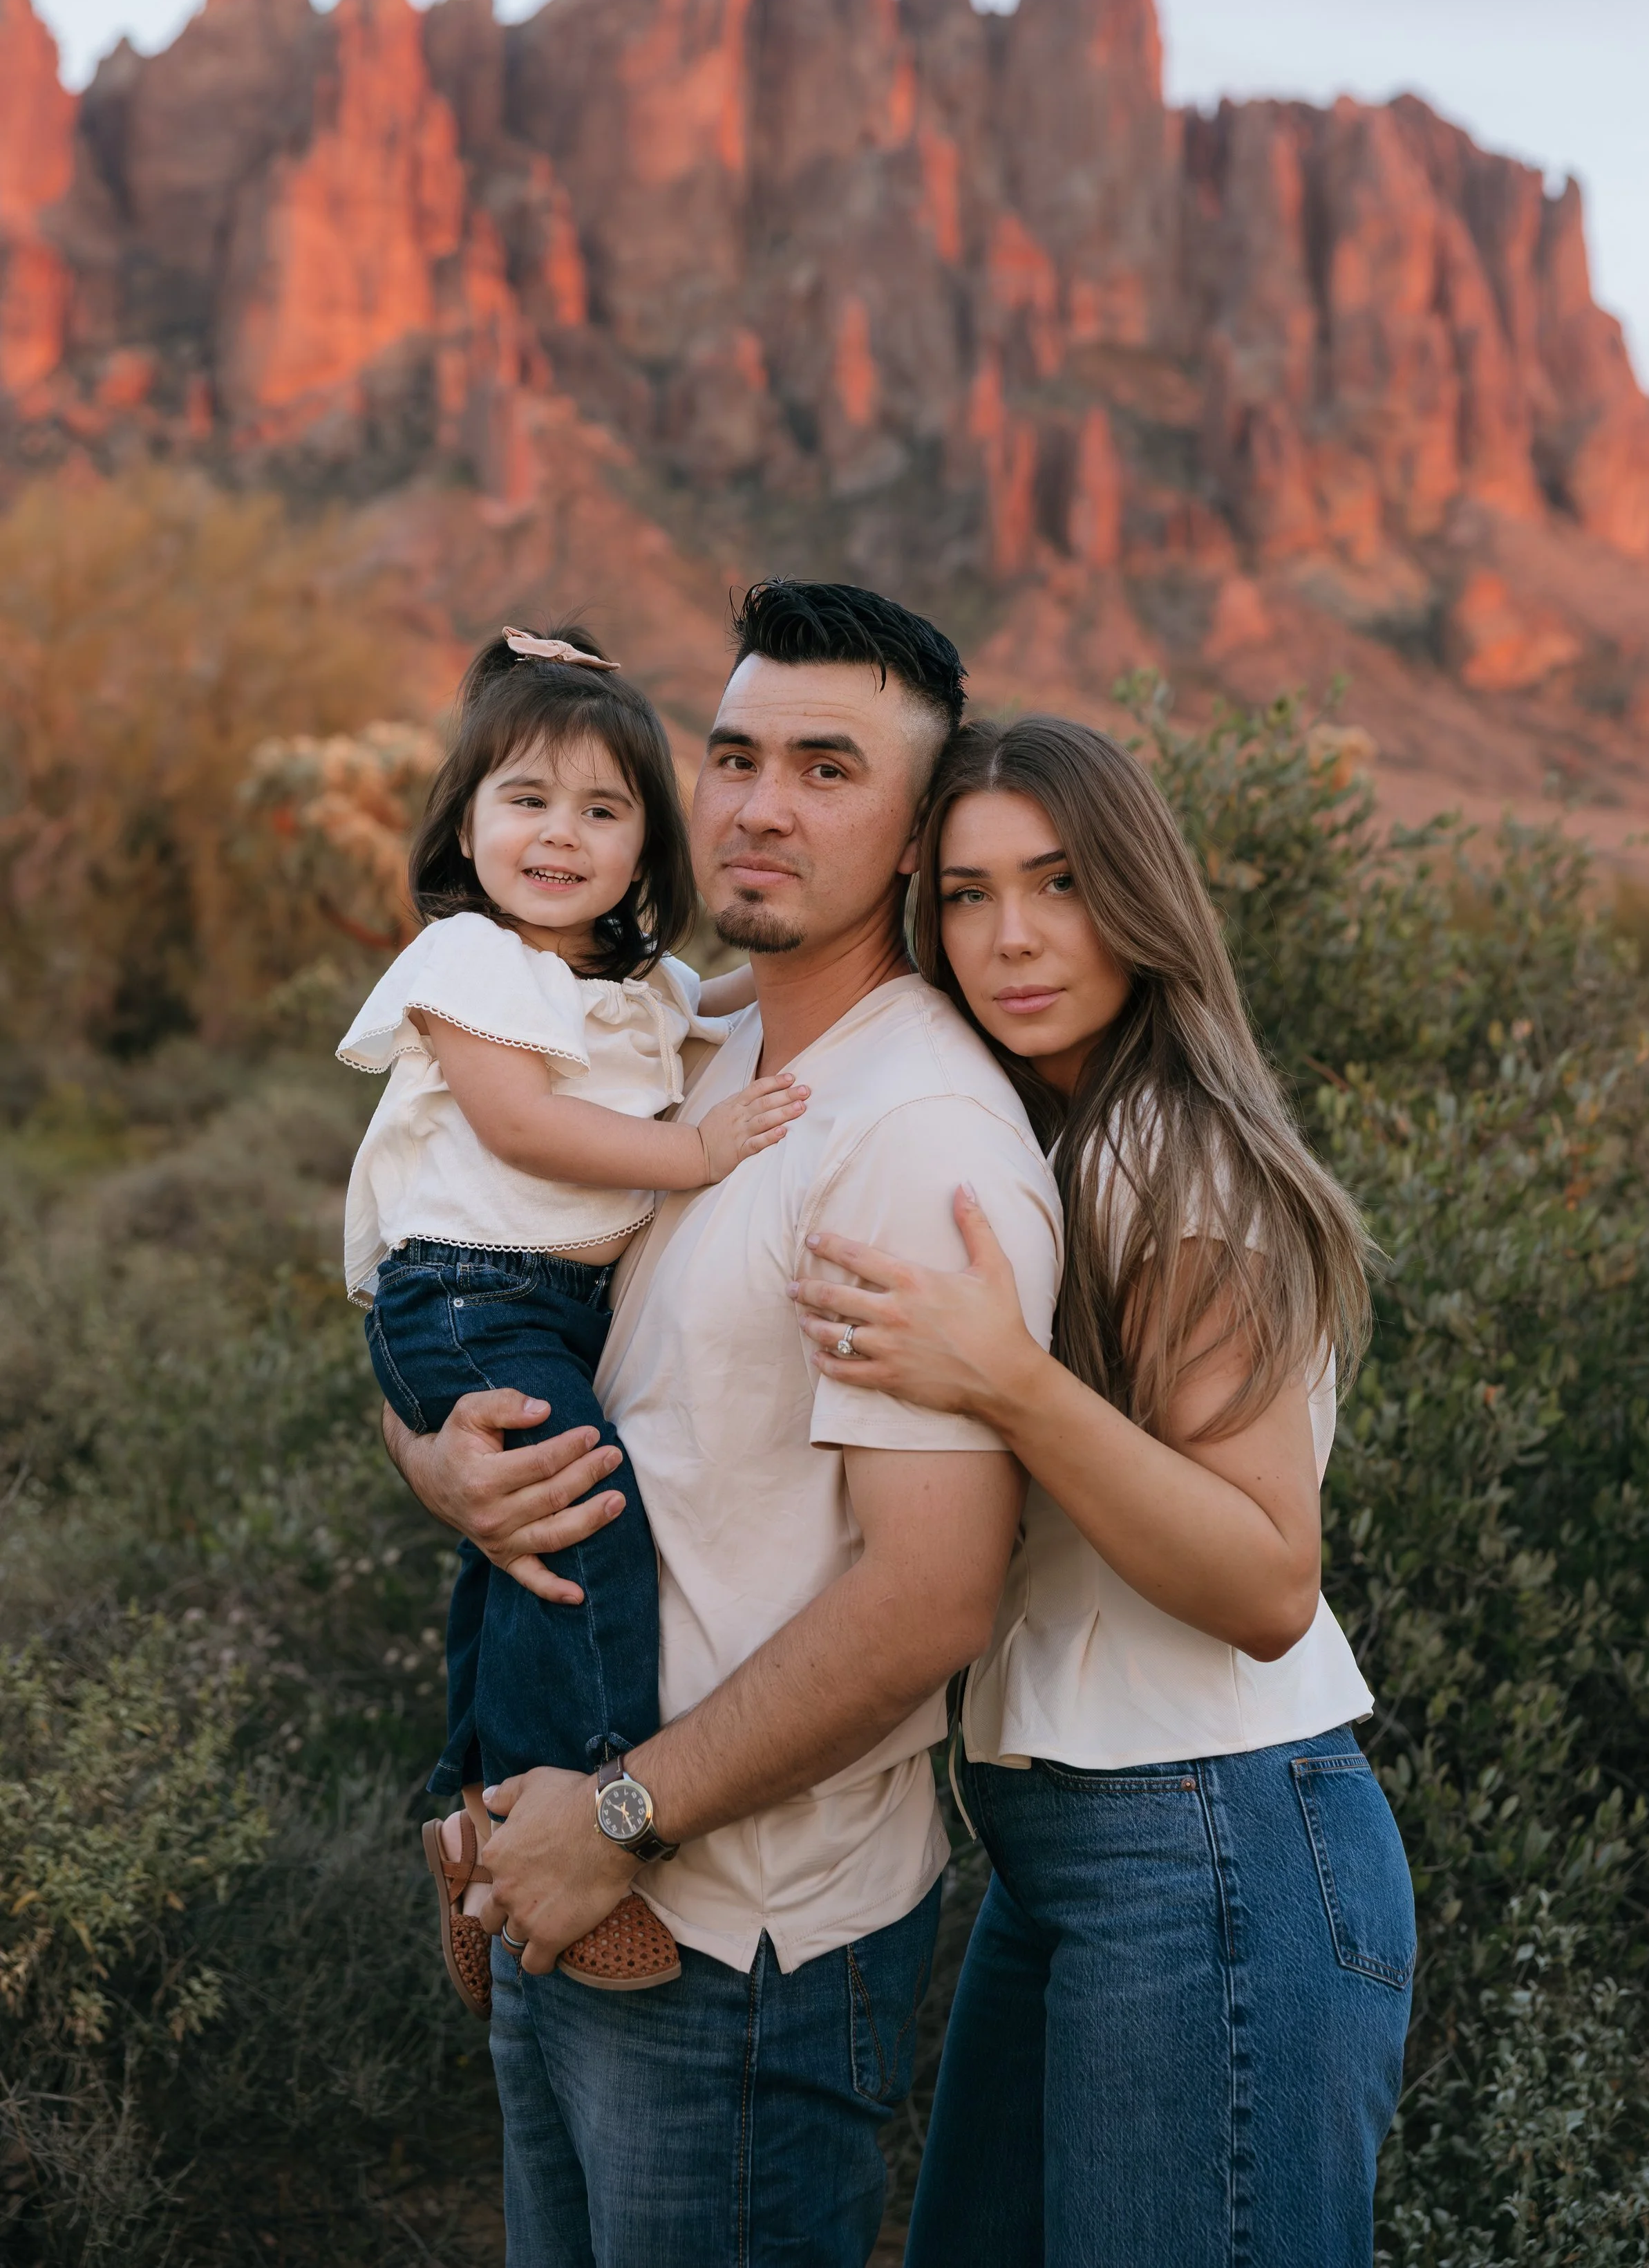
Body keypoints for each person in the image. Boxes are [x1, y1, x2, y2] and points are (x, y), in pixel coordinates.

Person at [379, 581, 1064, 2268]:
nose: (758, 804)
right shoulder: (682, 1040)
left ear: (915, 837)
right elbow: (480, 1280)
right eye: (736, 753)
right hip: (554, 1875)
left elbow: (929, 1598)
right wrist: (435, 1464)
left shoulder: (915, 1138)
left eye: (827, 769)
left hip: (734, 1940)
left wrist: (618, 1821)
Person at [791, 713, 1415, 2268]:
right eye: (963, 892)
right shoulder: (1046, 1137)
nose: (1009, 938)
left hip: (1209, 1838)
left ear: (1133, 896)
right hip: (1079, 1848)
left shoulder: (1172, 1158)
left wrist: (1004, 1378)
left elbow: (1268, 1578)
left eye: (1058, 884)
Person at [338, 621, 802, 2014]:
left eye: (603, 809)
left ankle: (466, 1819)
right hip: (466, 1295)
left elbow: (721, 995)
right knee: (582, 1520)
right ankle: (573, 1802)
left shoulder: (623, 987)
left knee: (510, 1554)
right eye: (525, 801)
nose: (560, 834)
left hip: (532, 1305)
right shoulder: (471, 963)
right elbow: (524, 1127)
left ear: (644, 843)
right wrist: (702, 1155)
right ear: (466, 821)